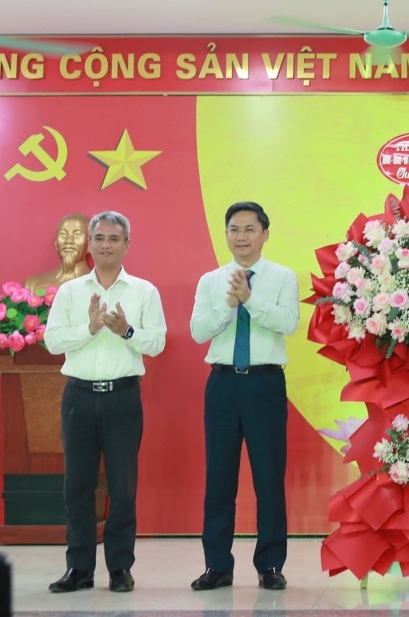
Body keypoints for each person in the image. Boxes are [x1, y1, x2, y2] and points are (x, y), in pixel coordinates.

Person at [45, 211, 167, 593]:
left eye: (114, 239)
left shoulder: (144, 291)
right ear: (89, 244)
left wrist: (125, 330)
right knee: (77, 487)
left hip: (122, 399)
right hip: (78, 398)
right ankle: (79, 569)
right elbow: (53, 342)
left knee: (122, 488)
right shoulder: (70, 292)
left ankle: (119, 569)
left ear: (126, 245)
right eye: (98, 238)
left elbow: (158, 342)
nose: (105, 245)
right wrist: (91, 328)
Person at [189, 202, 299, 592]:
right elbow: (199, 331)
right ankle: (217, 565)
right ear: (226, 235)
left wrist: (250, 298)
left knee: (269, 478)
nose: (241, 237)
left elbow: (288, 322)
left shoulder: (283, 277)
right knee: (219, 478)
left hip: (265, 384)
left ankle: (270, 565)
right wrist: (229, 303)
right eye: (234, 229)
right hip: (222, 385)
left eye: (250, 229)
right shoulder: (210, 281)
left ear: (265, 234)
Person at [24, 213, 92, 292]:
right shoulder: (32, 284)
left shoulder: (102, 285)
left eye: (77, 234)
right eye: (63, 234)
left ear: (90, 244)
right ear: (56, 243)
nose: (68, 241)